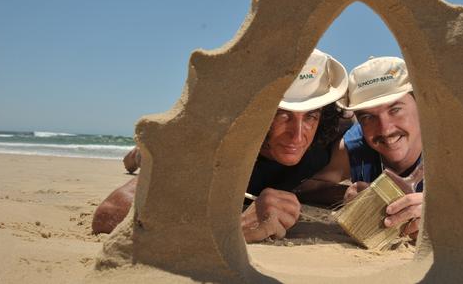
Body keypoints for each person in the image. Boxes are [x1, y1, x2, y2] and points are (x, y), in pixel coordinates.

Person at [92, 49, 349, 243]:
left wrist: (342, 197)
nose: (297, 135)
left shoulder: (331, 135)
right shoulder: (216, 146)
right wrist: (235, 230)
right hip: (175, 145)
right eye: (283, 115)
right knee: (148, 155)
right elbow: (108, 216)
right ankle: (139, 154)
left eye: (311, 116)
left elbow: (304, 187)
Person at [311, 56, 424, 238]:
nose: (385, 129)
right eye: (368, 117)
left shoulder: (453, 146)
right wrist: (349, 196)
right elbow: (307, 188)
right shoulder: (356, 146)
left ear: (422, 106)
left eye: (395, 110)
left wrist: (441, 210)